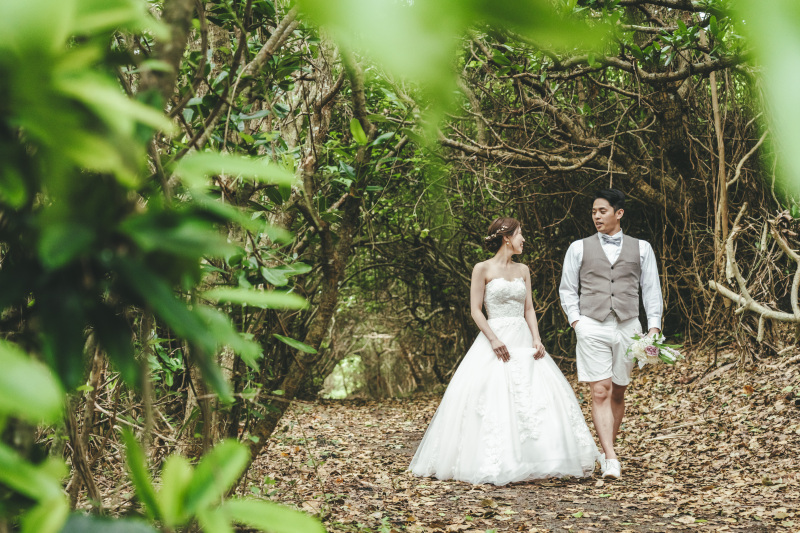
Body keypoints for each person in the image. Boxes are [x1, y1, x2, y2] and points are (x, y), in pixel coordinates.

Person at [409, 217, 598, 485]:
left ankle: (541, 458)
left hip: (522, 337)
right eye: (520, 234)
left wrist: (536, 338)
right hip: (494, 336)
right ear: (507, 238)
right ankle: (497, 459)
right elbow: (475, 309)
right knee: (493, 395)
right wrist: (493, 339)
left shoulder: (523, 270)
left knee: (533, 396)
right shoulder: (481, 268)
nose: (524, 239)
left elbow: (529, 308)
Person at [559, 189, 663, 480]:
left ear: (619, 213)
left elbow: (652, 289)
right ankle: (611, 457)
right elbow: (567, 289)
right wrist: (577, 322)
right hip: (592, 324)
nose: (596, 216)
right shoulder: (578, 248)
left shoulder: (642, 248)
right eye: (593, 211)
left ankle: (608, 450)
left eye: (602, 211)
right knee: (600, 389)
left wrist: (653, 327)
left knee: (618, 390)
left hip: (629, 325)